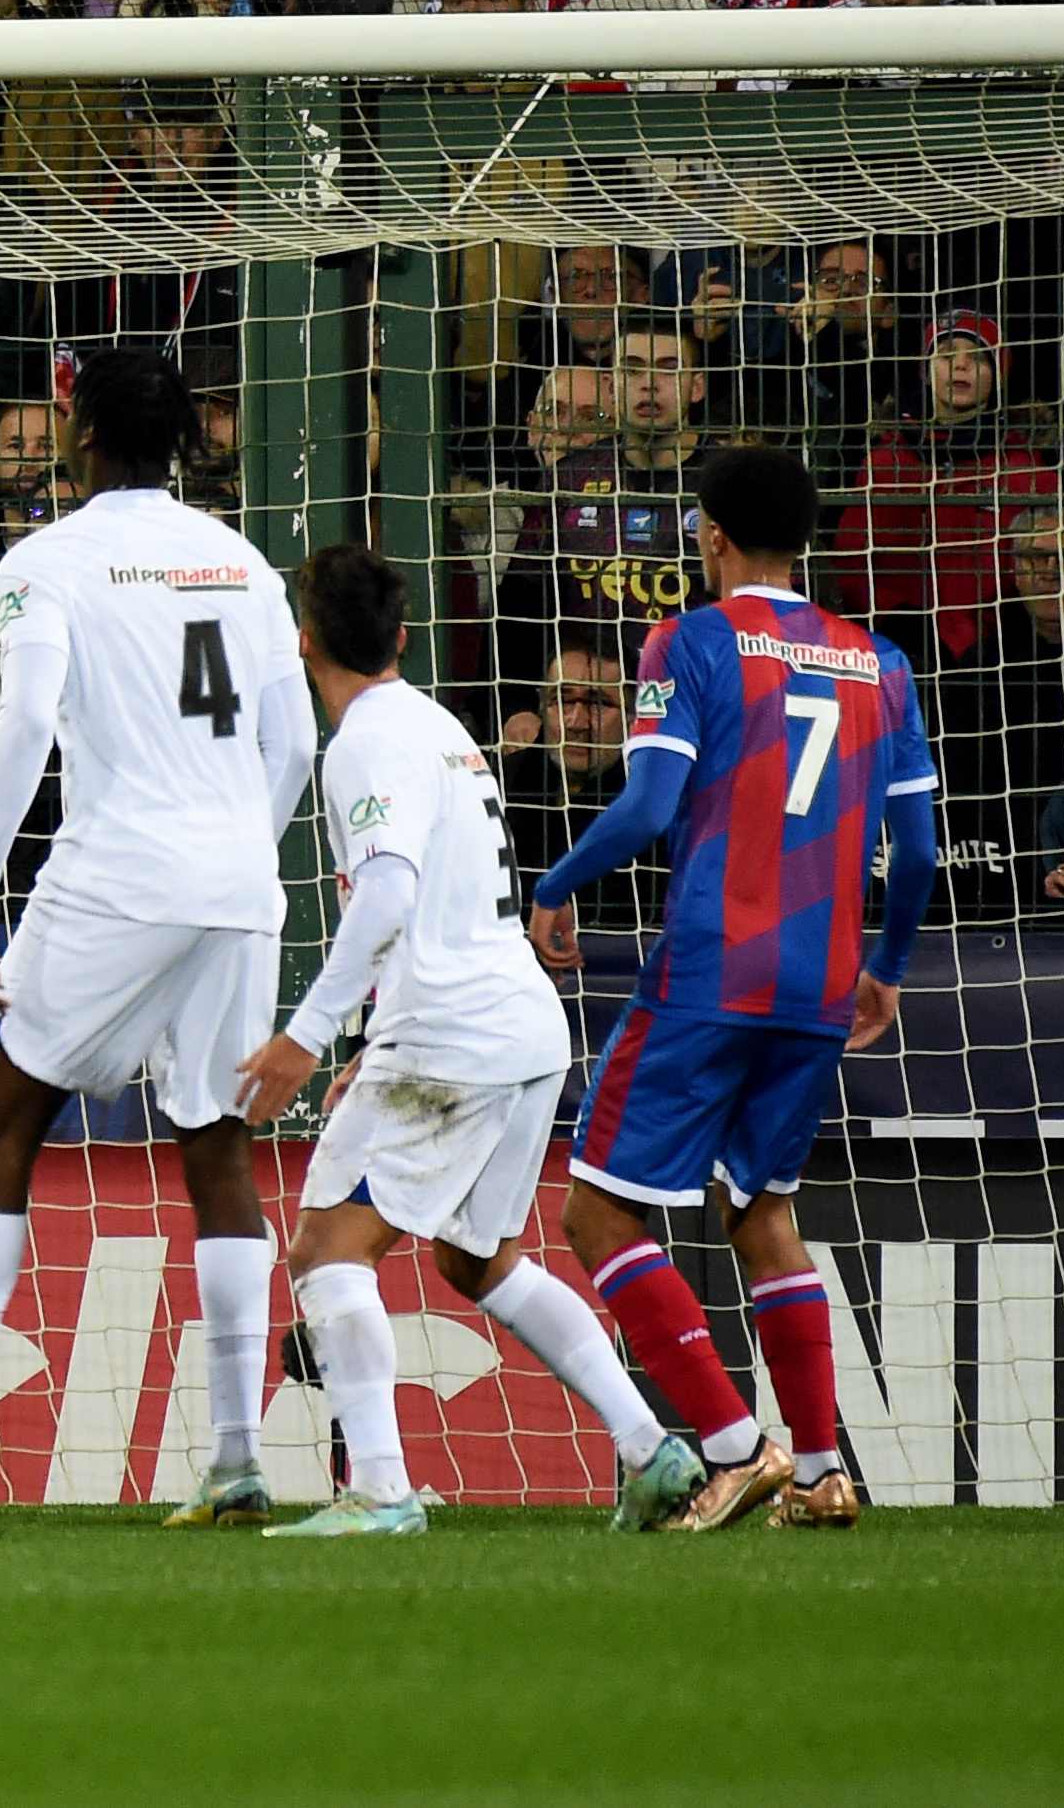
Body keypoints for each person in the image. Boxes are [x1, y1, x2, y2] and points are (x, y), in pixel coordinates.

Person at [0, 345, 311, 1520]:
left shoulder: (48, 557)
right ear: (185, 438)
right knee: (215, 1144)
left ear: (81, 437)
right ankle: (240, 1456)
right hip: (243, 875)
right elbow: (294, 740)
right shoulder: (244, 561)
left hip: (121, 867)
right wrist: (243, 844)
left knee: (6, 1110)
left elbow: (29, 716)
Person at [226, 545, 700, 1539]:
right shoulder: (439, 725)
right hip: (522, 1024)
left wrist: (308, 1035)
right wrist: (382, 1026)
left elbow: (393, 888)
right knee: (476, 1259)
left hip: (454, 1025)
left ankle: (385, 1489)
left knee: (324, 1249)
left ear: (302, 641)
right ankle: (650, 1447)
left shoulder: (362, 739)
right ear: (401, 635)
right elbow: (432, 895)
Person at [530, 442, 942, 1535]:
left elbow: (652, 803)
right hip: (819, 978)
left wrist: (553, 881)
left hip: (713, 964)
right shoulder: (878, 661)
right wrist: (886, 966)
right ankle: (819, 1468)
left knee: (592, 1204)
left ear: (711, 534)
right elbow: (921, 846)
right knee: (762, 1205)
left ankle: (728, 1443)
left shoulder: (694, 638)